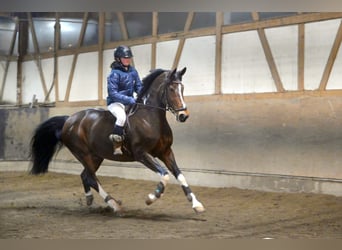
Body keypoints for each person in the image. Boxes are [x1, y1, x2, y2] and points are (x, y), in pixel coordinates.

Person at [106, 45, 143, 155]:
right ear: (118, 59)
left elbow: (138, 86)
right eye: (125, 58)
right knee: (122, 117)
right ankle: (117, 145)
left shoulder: (133, 71)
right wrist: (128, 99)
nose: (127, 60)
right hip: (115, 103)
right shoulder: (114, 74)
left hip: (130, 101)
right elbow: (113, 93)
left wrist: (142, 95)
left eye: (129, 58)